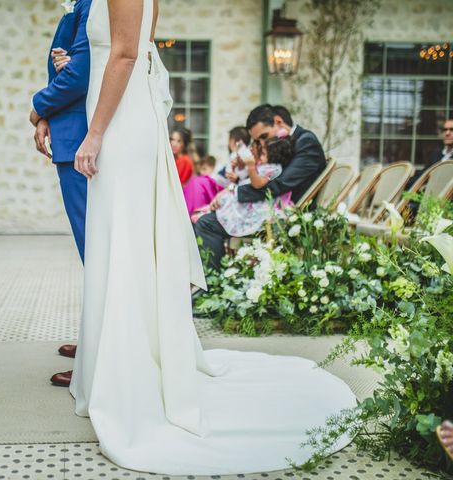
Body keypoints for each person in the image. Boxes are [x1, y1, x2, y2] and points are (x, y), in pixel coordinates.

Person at [70, 0, 354, 475]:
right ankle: (124, 361)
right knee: (124, 239)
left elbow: (124, 56)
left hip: (119, 122)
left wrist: (94, 133)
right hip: (128, 115)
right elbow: (140, 51)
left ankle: (130, 373)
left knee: (124, 241)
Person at [29, 0, 93, 387]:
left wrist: (38, 108)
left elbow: (79, 77)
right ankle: (97, 341)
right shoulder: (81, 5)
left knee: (96, 253)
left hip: (80, 137)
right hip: (70, 133)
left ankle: (102, 354)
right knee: (94, 254)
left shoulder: (93, 4)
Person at [195, 104, 326, 270]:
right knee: (204, 216)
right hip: (267, 206)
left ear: (278, 122)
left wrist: (234, 193)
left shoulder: (305, 142)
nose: (263, 143)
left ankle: (212, 284)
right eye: (259, 140)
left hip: (283, 215)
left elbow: (278, 185)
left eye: (264, 136)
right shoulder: (288, 143)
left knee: (206, 223)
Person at [212, 133, 294, 237]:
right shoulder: (268, 166)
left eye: (263, 154)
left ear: (274, 155)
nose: (260, 156)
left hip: (258, 208)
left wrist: (251, 166)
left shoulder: (274, 169)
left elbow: (257, 184)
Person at [182, 155, 223, 222]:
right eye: (200, 169)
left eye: (204, 169)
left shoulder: (215, 179)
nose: (201, 172)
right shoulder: (200, 179)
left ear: (212, 167)